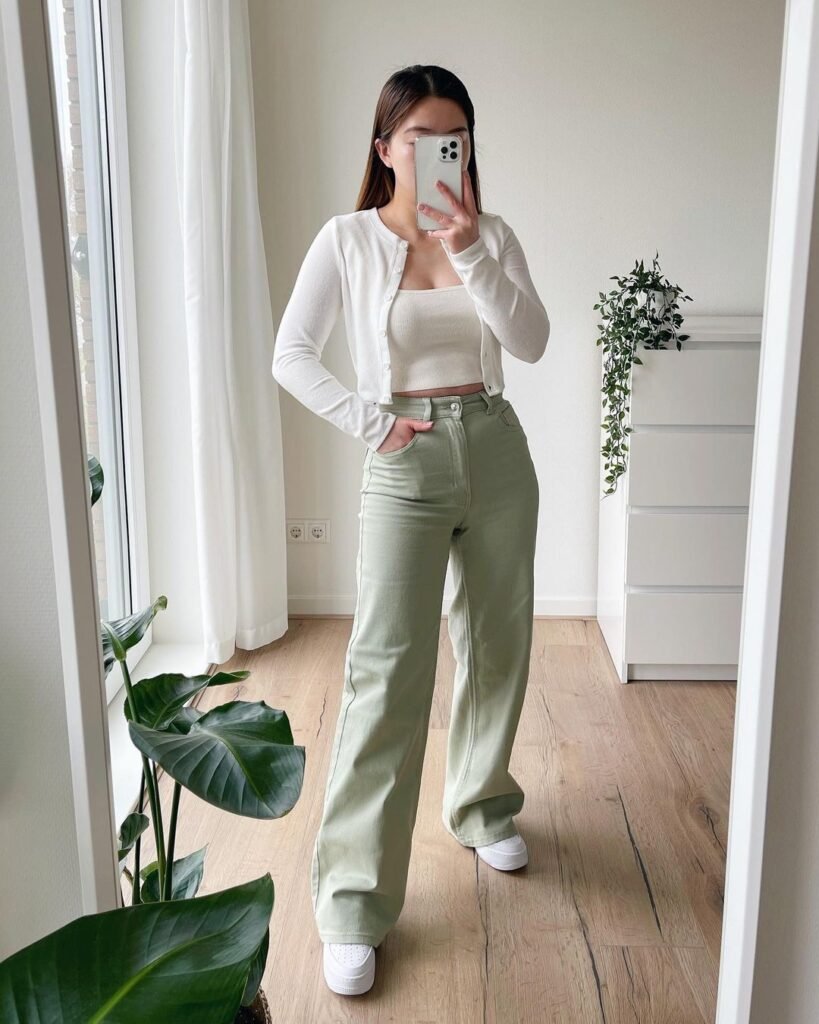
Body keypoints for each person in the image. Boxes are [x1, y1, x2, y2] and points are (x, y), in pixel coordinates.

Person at [271, 64, 550, 996]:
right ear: (384, 147)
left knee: (498, 643)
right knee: (387, 672)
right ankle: (352, 902)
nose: (439, 153)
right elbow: (290, 355)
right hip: (403, 457)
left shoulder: (490, 234)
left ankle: (481, 805)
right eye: (421, 138)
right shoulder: (346, 238)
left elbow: (531, 340)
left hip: (496, 447)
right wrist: (369, 422)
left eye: (453, 139)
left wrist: (468, 249)